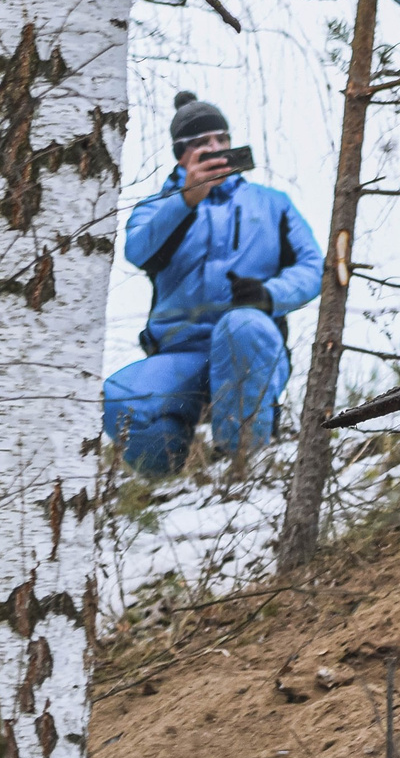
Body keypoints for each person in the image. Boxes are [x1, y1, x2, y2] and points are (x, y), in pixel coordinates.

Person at [104, 93, 321, 474]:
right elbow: (137, 251)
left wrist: (269, 295)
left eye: (221, 139)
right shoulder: (157, 206)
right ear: (181, 154)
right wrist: (184, 200)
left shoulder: (273, 204)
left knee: (242, 325)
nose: (216, 148)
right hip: (179, 356)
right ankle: (167, 482)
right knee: (119, 397)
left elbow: (313, 267)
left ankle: (240, 468)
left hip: (250, 346)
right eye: (202, 143)